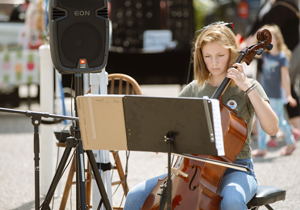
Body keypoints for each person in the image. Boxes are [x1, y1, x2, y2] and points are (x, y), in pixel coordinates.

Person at [123, 23, 279, 210]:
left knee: (231, 200)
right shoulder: (194, 88)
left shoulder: (248, 86)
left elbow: (272, 128)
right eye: (208, 56)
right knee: (135, 196)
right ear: (201, 57)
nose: (214, 62)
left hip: (237, 168)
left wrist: (248, 88)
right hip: (191, 170)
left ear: (231, 53)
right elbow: (168, 121)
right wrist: (160, 136)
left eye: (220, 56)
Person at [241, 0, 300, 137]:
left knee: (282, 88)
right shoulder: (268, 3)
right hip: (269, 54)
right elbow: (258, 26)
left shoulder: (282, 6)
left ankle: (290, 130)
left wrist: (249, 45)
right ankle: (261, 130)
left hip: (285, 53)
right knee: (267, 91)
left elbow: (267, 28)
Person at [252, 24, 297, 157]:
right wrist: (259, 37)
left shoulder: (281, 57)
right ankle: (262, 147)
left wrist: (288, 95)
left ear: (277, 39)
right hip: (263, 95)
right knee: (261, 120)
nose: (267, 40)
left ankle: (291, 142)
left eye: (269, 37)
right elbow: (253, 50)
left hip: (276, 95)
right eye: (265, 37)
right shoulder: (265, 55)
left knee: (280, 121)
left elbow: (285, 78)